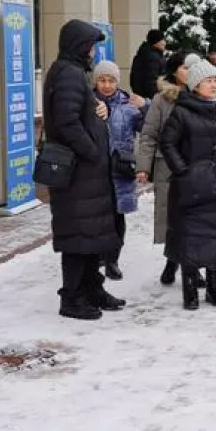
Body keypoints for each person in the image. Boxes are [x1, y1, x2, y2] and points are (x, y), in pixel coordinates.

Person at [42, 20, 126, 320]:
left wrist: (97, 109)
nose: (93, 51)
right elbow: (67, 123)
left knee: (93, 235)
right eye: (90, 45)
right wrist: (92, 151)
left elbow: (80, 112)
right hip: (79, 172)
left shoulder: (74, 73)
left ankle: (93, 288)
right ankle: (72, 298)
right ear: (78, 45)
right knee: (78, 237)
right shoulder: (67, 74)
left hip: (88, 175)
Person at [160, 59, 216, 309]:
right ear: (196, 85)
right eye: (208, 81)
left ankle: (214, 288)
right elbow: (168, 143)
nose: (213, 85)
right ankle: (190, 291)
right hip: (192, 188)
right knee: (191, 238)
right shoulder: (182, 111)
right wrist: (184, 171)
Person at [136, 52, 190, 286]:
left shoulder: (203, 95)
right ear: (175, 70)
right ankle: (172, 260)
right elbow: (149, 135)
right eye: (185, 67)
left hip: (193, 164)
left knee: (193, 217)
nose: (189, 71)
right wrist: (143, 167)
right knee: (170, 216)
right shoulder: (161, 99)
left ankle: (191, 265)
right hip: (165, 165)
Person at [91, 60, 147, 281]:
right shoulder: (88, 102)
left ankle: (112, 259)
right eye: (102, 80)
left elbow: (148, 126)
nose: (106, 85)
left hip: (120, 169)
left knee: (117, 215)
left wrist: (145, 106)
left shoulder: (128, 104)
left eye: (111, 80)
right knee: (96, 215)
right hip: (95, 168)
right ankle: (96, 256)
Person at [129, 28, 167, 100]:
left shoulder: (143, 53)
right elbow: (151, 82)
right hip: (151, 99)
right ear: (156, 41)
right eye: (162, 40)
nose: (164, 43)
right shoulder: (153, 58)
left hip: (141, 97)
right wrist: (157, 100)